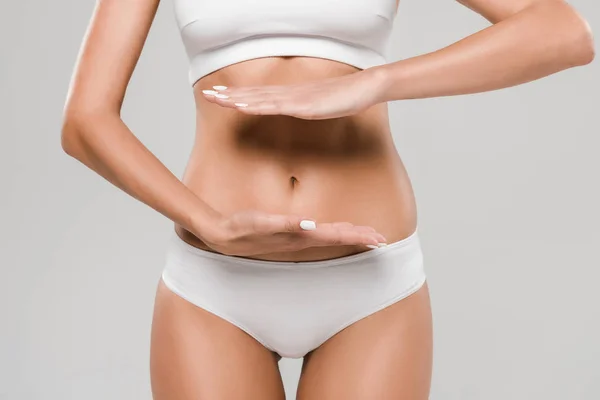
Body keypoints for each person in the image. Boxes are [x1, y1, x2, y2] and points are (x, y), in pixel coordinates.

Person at [61, 0, 594, 398]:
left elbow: (565, 32)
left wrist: (378, 82)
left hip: (371, 288)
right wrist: (208, 221)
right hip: (215, 285)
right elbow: (85, 120)